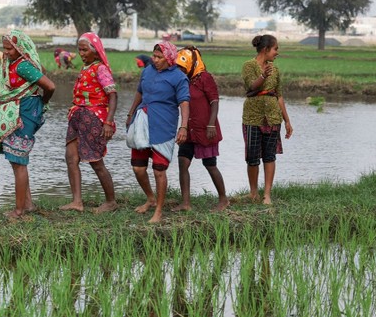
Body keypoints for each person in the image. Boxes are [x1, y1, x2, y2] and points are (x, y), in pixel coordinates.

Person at [0, 30, 55, 218]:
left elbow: (50, 86)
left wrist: (43, 101)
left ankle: (19, 210)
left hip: (24, 113)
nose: (7, 52)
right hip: (17, 112)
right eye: (5, 48)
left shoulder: (23, 66)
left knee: (19, 161)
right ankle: (28, 204)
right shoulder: (12, 63)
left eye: (10, 48)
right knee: (16, 160)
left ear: (20, 48)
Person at [124, 41, 190, 223]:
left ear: (169, 58)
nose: (155, 60)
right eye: (154, 56)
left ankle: (159, 211)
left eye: (159, 57)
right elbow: (139, 92)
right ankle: (151, 199)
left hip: (163, 126)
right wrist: (130, 113)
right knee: (138, 167)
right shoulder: (147, 71)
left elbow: (184, 103)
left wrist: (183, 127)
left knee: (159, 171)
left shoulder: (179, 77)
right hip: (142, 122)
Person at [60, 33, 119, 213]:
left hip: (93, 119)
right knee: (71, 158)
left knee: (96, 161)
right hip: (78, 117)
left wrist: (108, 122)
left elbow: (113, 95)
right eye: (80, 50)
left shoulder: (100, 69)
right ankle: (77, 201)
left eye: (85, 50)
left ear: (95, 51)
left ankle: (111, 201)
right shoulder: (86, 68)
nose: (82, 54)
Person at [174, 46, 229, 212]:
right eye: (178, 68)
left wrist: (211, 123)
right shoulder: (183, 81)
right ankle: (185, 203)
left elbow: (214, 102)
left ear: (191, 64)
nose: (180, 71)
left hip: (205, 128)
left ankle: (223, 200)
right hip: (189, 128)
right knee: (183, 162)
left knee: (210, 164)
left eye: (183, 68)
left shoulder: (204, 78)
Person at [242, 34, 294, 205]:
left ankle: (267, 195)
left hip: (272, 117)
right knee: (252, 157)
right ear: (265, 49)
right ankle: (253, 193)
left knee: (270, 156)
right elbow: (251, 86)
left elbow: (279, 95)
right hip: (253, 116)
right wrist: (263, 76)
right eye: (275, 49)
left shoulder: (275, 69)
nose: (277, 53)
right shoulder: (249, 66)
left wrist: (287, 120)